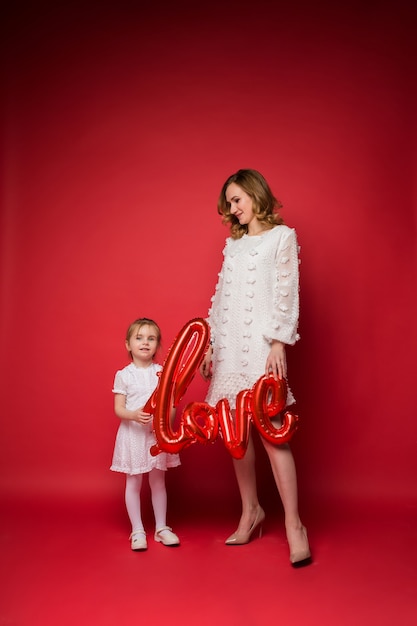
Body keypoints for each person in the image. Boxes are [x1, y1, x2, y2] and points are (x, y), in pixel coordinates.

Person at [200, 169, 311, 566]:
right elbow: (221, 298)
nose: (232, 209)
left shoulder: (283, 237)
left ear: (254, 194)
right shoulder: (233, 248)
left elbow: (286, 290)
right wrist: (211, 345)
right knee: (236, 435)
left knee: (273, 434)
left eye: (236, 200)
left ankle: (294, 524)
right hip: (230, 346)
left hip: (262, 346)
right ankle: (251, 511)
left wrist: (278, 341)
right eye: (229, 203)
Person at [110, 317, 181, 551]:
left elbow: (171, 405)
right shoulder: (124, 374)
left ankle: (161, 528)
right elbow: (119, 408)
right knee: (133, 481)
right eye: (139, 338)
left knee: (158, 481)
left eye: (151, 339)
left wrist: (163, 426)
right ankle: (137, 530)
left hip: (155, 435)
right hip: (133, 436)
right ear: (128, 345)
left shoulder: (163, 373)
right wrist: (134, 415)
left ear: (158, 345)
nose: (145, 343)